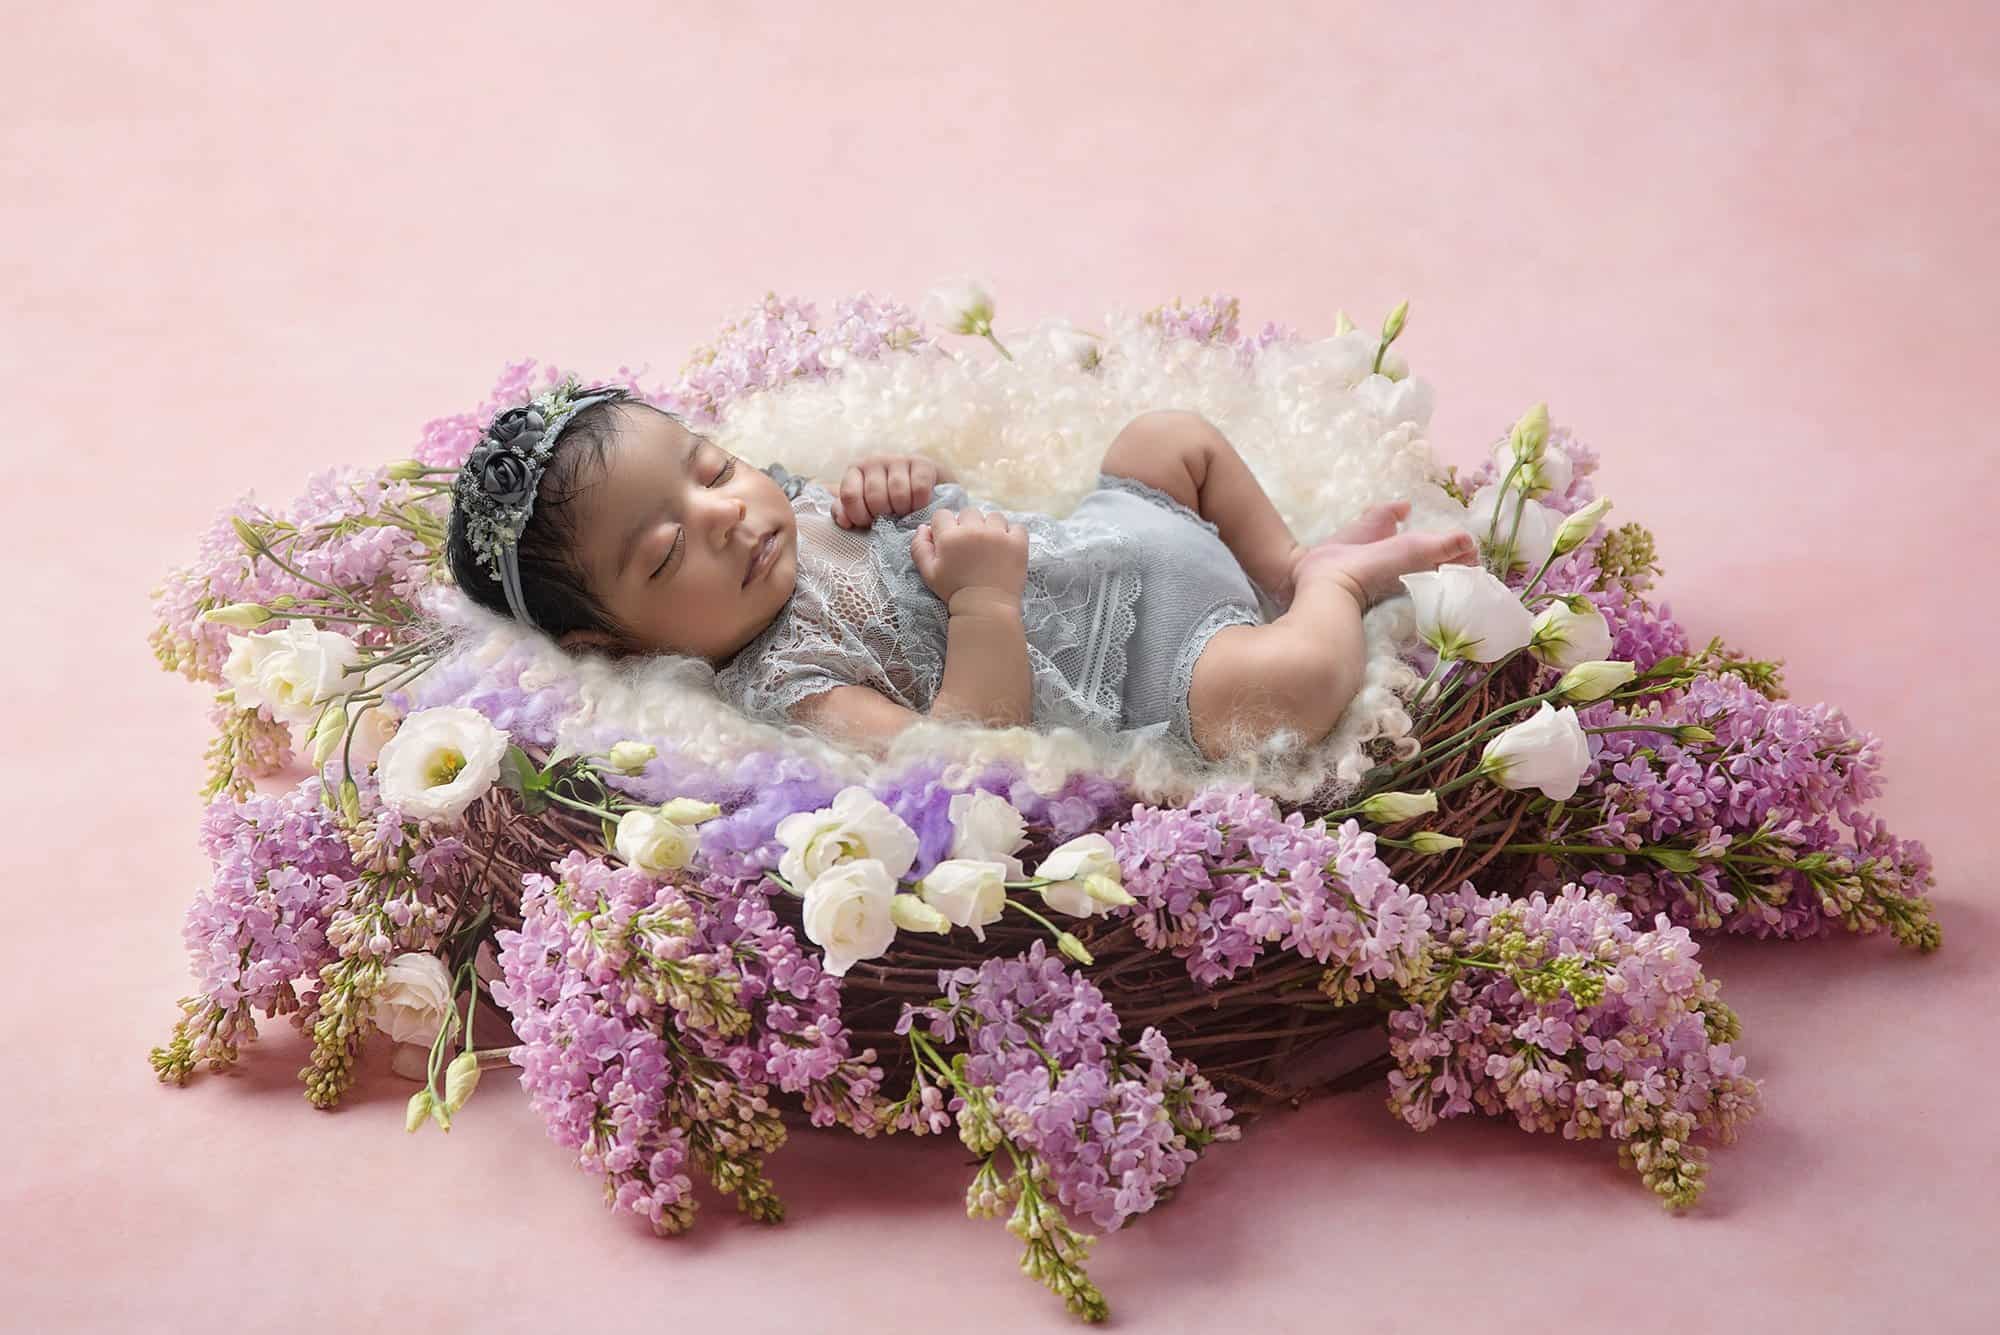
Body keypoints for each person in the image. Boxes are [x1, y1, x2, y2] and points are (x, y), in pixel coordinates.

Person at [444, 379, 1477, 764]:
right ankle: (1334, 592)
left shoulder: (802, 506)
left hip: (1109, 536)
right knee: (1291, 688)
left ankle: (1287, 562)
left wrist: (900, 475)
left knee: (1169, 435)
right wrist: (982, 603)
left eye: (712, 469)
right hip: (1159, 671)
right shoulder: (788, 687)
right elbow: (965, 751)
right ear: (616, 644)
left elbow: (931, 493)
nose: (724, 516)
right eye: (667, 553)